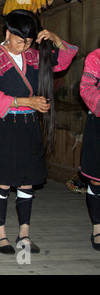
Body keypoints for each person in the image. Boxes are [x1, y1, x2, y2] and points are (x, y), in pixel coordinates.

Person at [0, 9, 78, 255]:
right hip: (5, 125)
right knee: (3, 182)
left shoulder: (35, 56)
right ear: (7, 33)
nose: (23, 46)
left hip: (29, 127)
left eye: (28, 42)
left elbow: (64, 60)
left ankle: (24, 233)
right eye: (19, 40)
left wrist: (55, 40)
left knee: (26, 183)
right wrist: (27, 102)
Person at [79, 48, 100, 251]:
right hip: (99, 120)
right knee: (97, 178)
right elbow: (86, 88)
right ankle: (97, 228)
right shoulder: (96, 57)